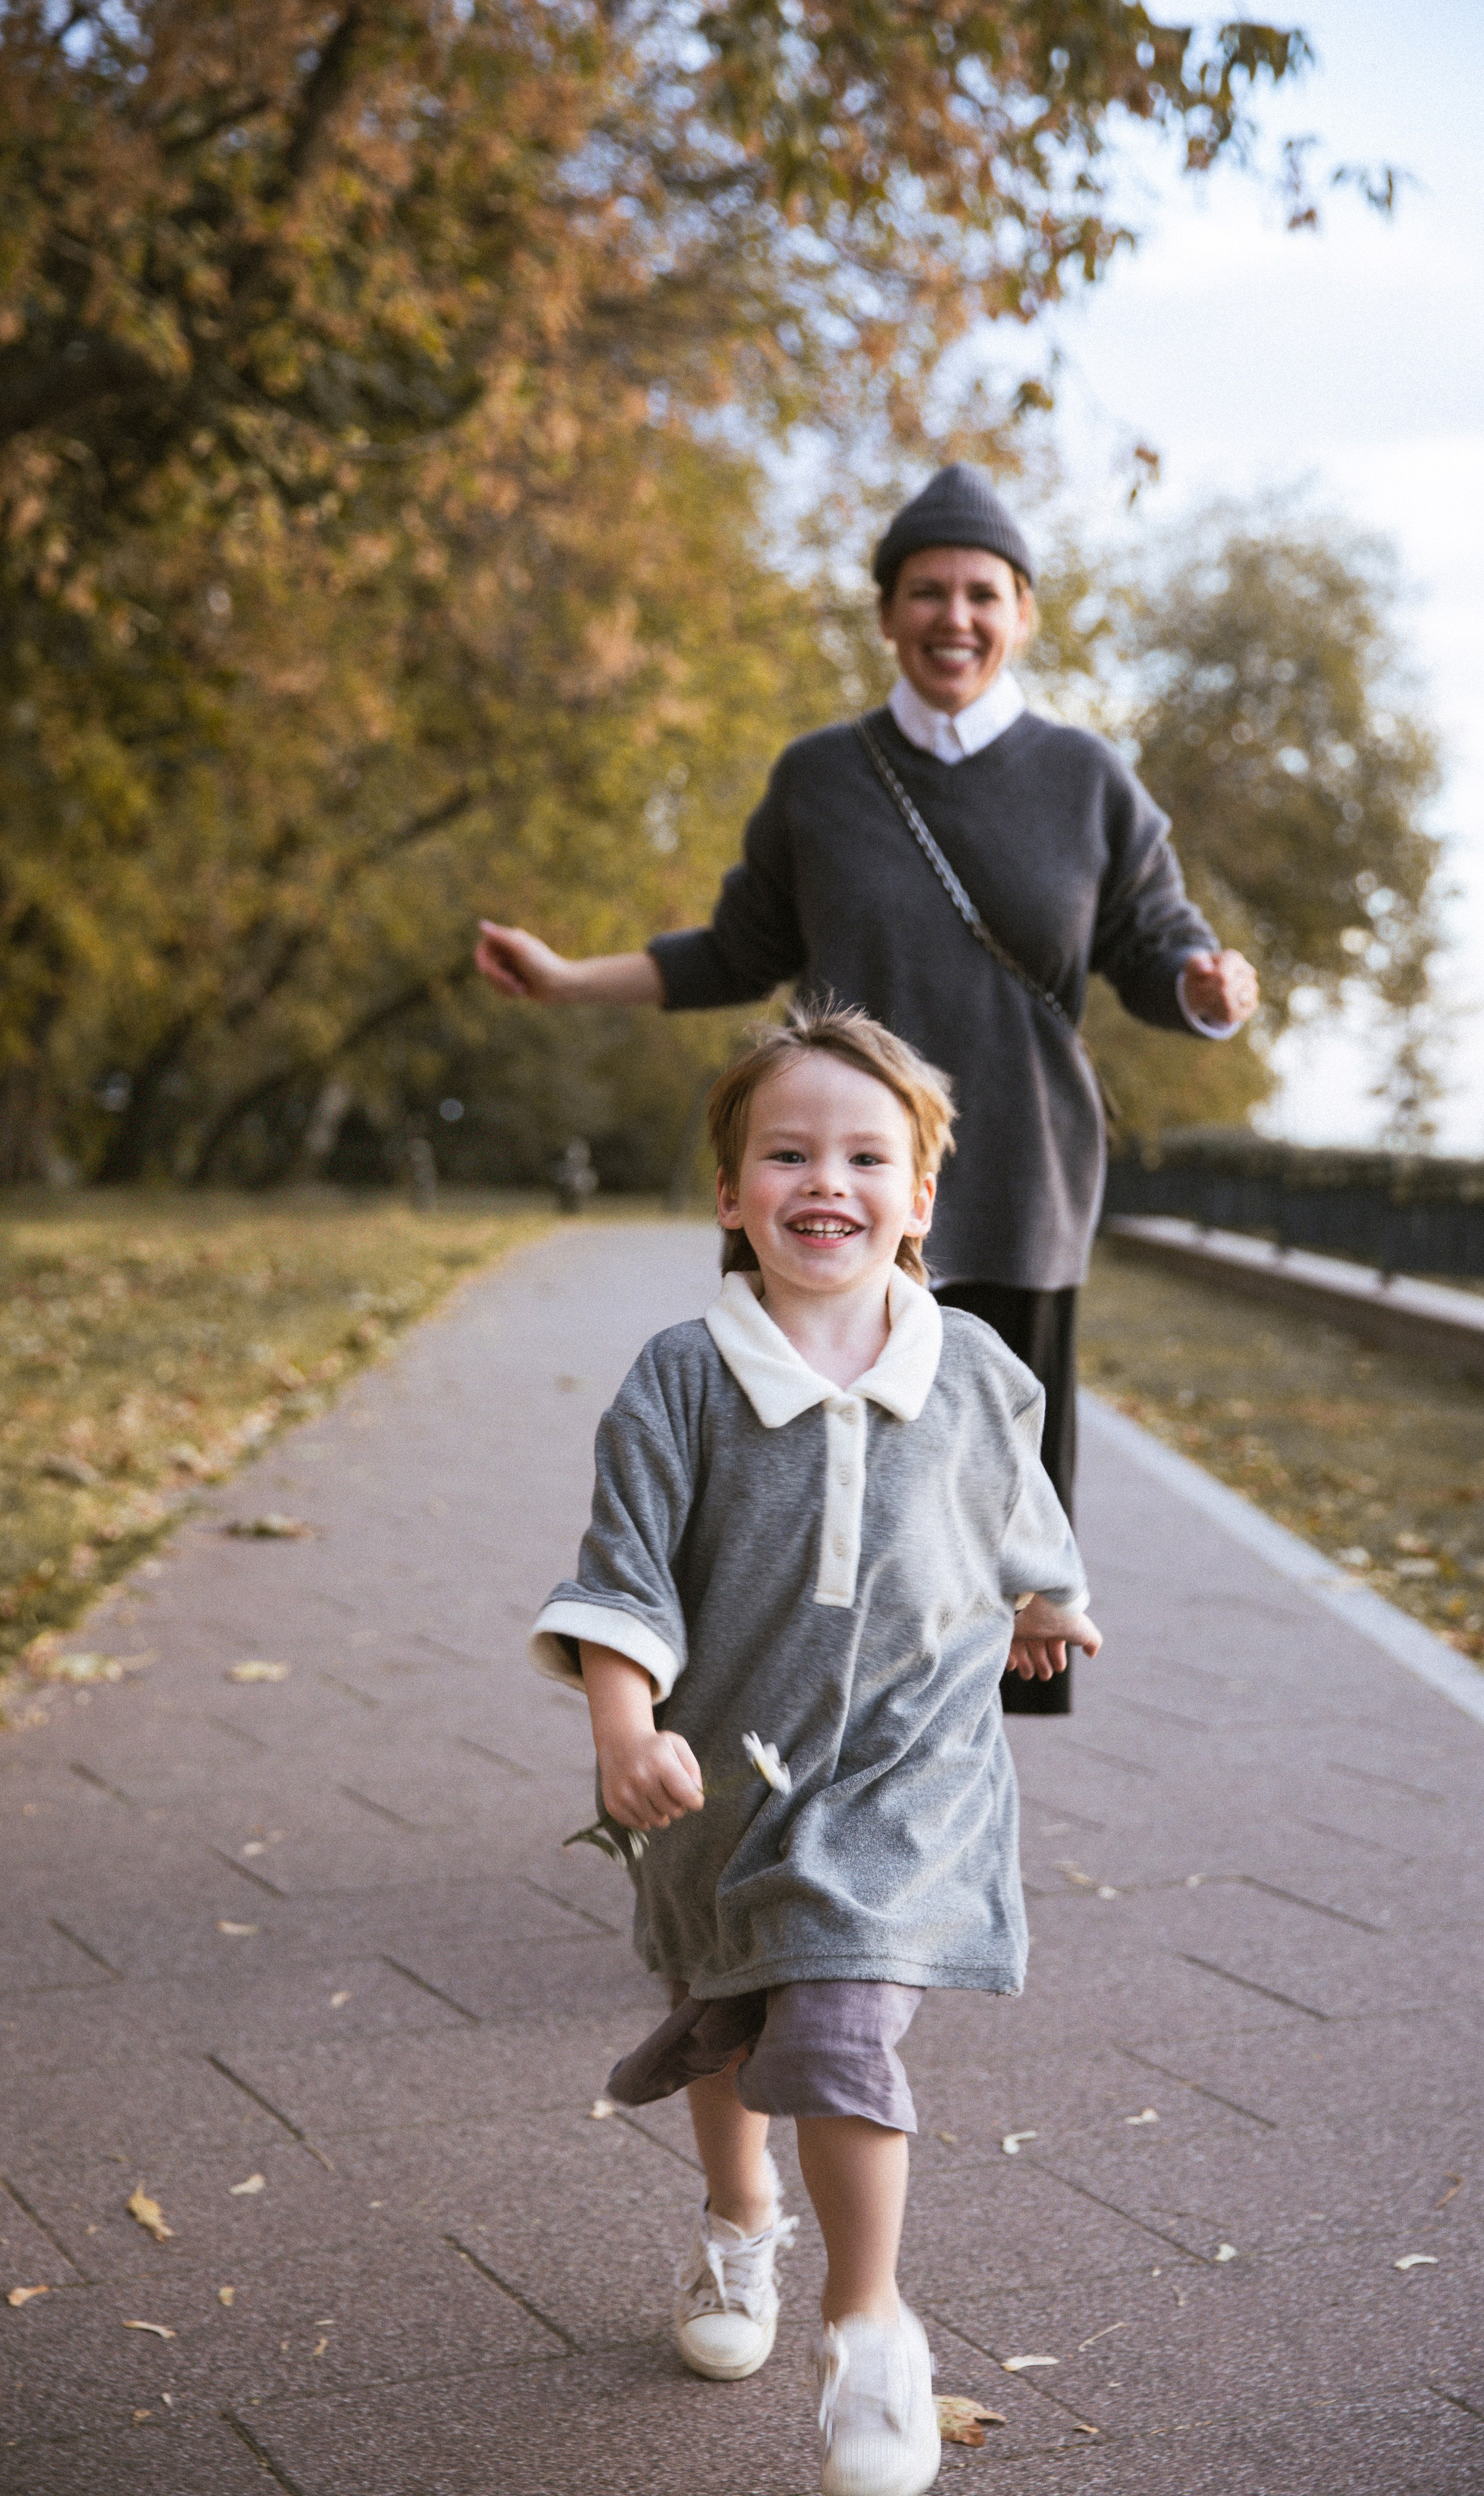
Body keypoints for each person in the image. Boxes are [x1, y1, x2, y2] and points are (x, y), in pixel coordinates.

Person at [482, 461, 1257, 1713]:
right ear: (888, 612)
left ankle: (955, 1786)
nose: (956, 616)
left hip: (1015, 1185)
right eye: (927, 591)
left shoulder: (1088, 780)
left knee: (996, 1516)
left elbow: (1160, 948)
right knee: (784, 1483)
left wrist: (1207, 989)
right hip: (827, 1184)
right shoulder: (823, 777)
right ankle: (764, 1742)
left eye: (983, 594)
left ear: (1022, 614)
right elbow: (736, 950)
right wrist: (569, 980)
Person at [529, 1006, 1100, 2496]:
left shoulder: (976, 1367)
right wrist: (621, 1725)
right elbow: (622, 1575)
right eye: (787, 1154)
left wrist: (1043, 1602)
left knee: (837, 2022)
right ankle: (739, 2224)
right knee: (728, 2014)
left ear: (919, 1198)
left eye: (864, 1157)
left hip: (911, 1775)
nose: (825, 1181)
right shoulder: (680, 1377)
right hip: (724, 1777)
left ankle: (869, 2328)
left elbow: (1014, 1508)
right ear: (731, 1193)